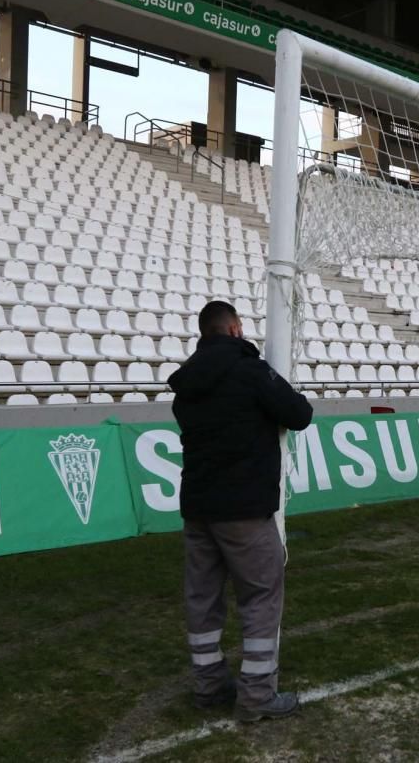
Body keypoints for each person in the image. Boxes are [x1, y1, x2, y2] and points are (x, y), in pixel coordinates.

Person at [168, 300, 314, 722]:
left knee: (202, 597)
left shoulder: (187, 382)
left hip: (197, 506)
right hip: (245, 508)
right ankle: (256, 695)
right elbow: (299, 414)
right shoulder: (249, 371)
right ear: (234, 330)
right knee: (262, 595)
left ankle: (209, 684)